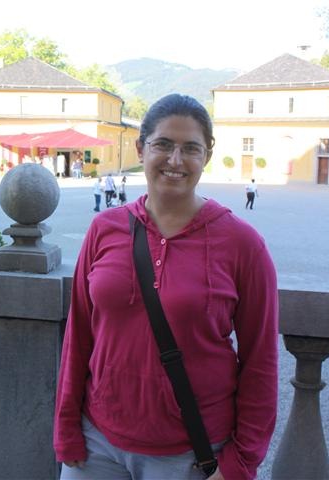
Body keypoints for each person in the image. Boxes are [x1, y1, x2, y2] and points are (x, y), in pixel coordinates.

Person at [54, 94, 278, 480]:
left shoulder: (242, 244)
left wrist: (242, 461)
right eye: (163, 144)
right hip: (97, 442)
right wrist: (66, 426)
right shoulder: (104, 228)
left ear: (207, 156)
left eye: (190, 148)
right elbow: (79, 335)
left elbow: (261, 359)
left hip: (189, 452)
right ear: (141, 149)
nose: (175, 160)